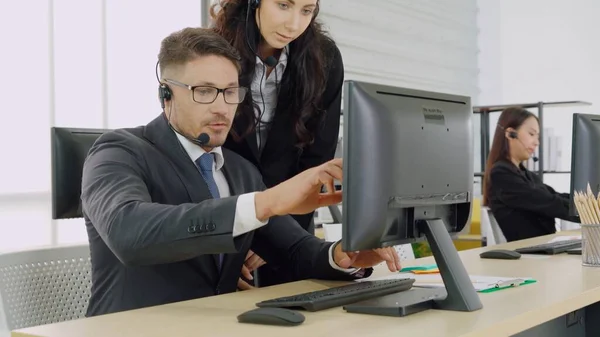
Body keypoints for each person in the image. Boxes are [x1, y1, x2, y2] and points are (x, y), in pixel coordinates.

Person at [81, 27, 401, 317]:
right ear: (165, 94)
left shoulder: (240, 171)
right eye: (204, 91)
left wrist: (342, 255)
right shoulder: (118, 151)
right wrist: (265, 203)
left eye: (231, 92)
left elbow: (295, 251)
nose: (222, 107)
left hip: (218, 327)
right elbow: (129, 233)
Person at [210, 0, 345, 287]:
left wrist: (277, 233)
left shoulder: (324, 58)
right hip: (225, 224)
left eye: (306, 10)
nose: (294, 24)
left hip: (292, 225)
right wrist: (241, 232)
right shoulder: (212, 53)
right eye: (284, 5)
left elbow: (316, 165)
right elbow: (203, 159)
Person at [483, 107, 579, 242]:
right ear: (510, 134)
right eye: (532, 134)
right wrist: (589, 211)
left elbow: (554, 196)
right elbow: (549, 202)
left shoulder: (528, 175)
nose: (536, 142)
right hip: (530, 257)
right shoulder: (501, 174)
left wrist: (590, 202)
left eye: (537, 136)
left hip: (544, 252)